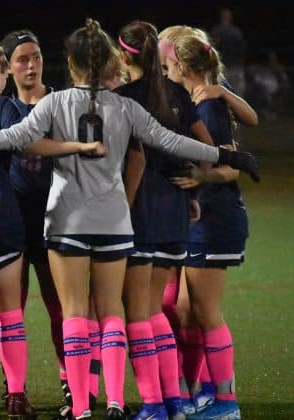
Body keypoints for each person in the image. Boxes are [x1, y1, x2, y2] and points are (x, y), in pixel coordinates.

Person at [0, 18, 259, 420]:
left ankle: (79, 406)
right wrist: (228, 156)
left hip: (67, 221)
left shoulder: (54, 102)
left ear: (69, 62)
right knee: (111, 313)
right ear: (108, 63)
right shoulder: (126, 106)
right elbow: (170, 140)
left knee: (75, 313)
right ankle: (114, 401)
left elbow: (14, 137)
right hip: (114, 221)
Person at [114, 19, 220, 420]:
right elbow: (208, 151)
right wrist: (195, 183)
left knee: (138, 313)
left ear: (123, 56)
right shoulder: (176, 94)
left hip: (138, 211)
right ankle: (174, 401)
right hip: (174, 212)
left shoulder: (122, 98)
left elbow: (128, 160)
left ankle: (155, 404)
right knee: (154, 311)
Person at [161, 28, 250, 420]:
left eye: (166, 65)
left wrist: (199, 176)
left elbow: (229, 168)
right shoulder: (194, 99)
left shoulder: (209, 104)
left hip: (215, 218)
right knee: (186, 309)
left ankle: (227, 402)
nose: (164, 72)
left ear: (180, 65)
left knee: (207, 312)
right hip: (201, 219)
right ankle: (207, 391)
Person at [0, 29, 69, 403]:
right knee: (12, 309)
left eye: (37, 57)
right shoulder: (1, 108)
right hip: (13, 222)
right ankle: (14, 389)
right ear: (8, 66)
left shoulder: (61, 103)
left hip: (54, 220)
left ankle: (70, 380)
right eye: (22, 59)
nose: (31, 65)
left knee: (60, 307)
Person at [210, 7, 246, 96]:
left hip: (235, 66)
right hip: (222, 66)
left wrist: (241, 63)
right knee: (222, 90)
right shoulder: (216, 31)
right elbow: (212, 48)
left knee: (238, 90)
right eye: (224, 15)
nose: (226, 17)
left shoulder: (236, 31)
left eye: (228, 15)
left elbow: (241, 48)